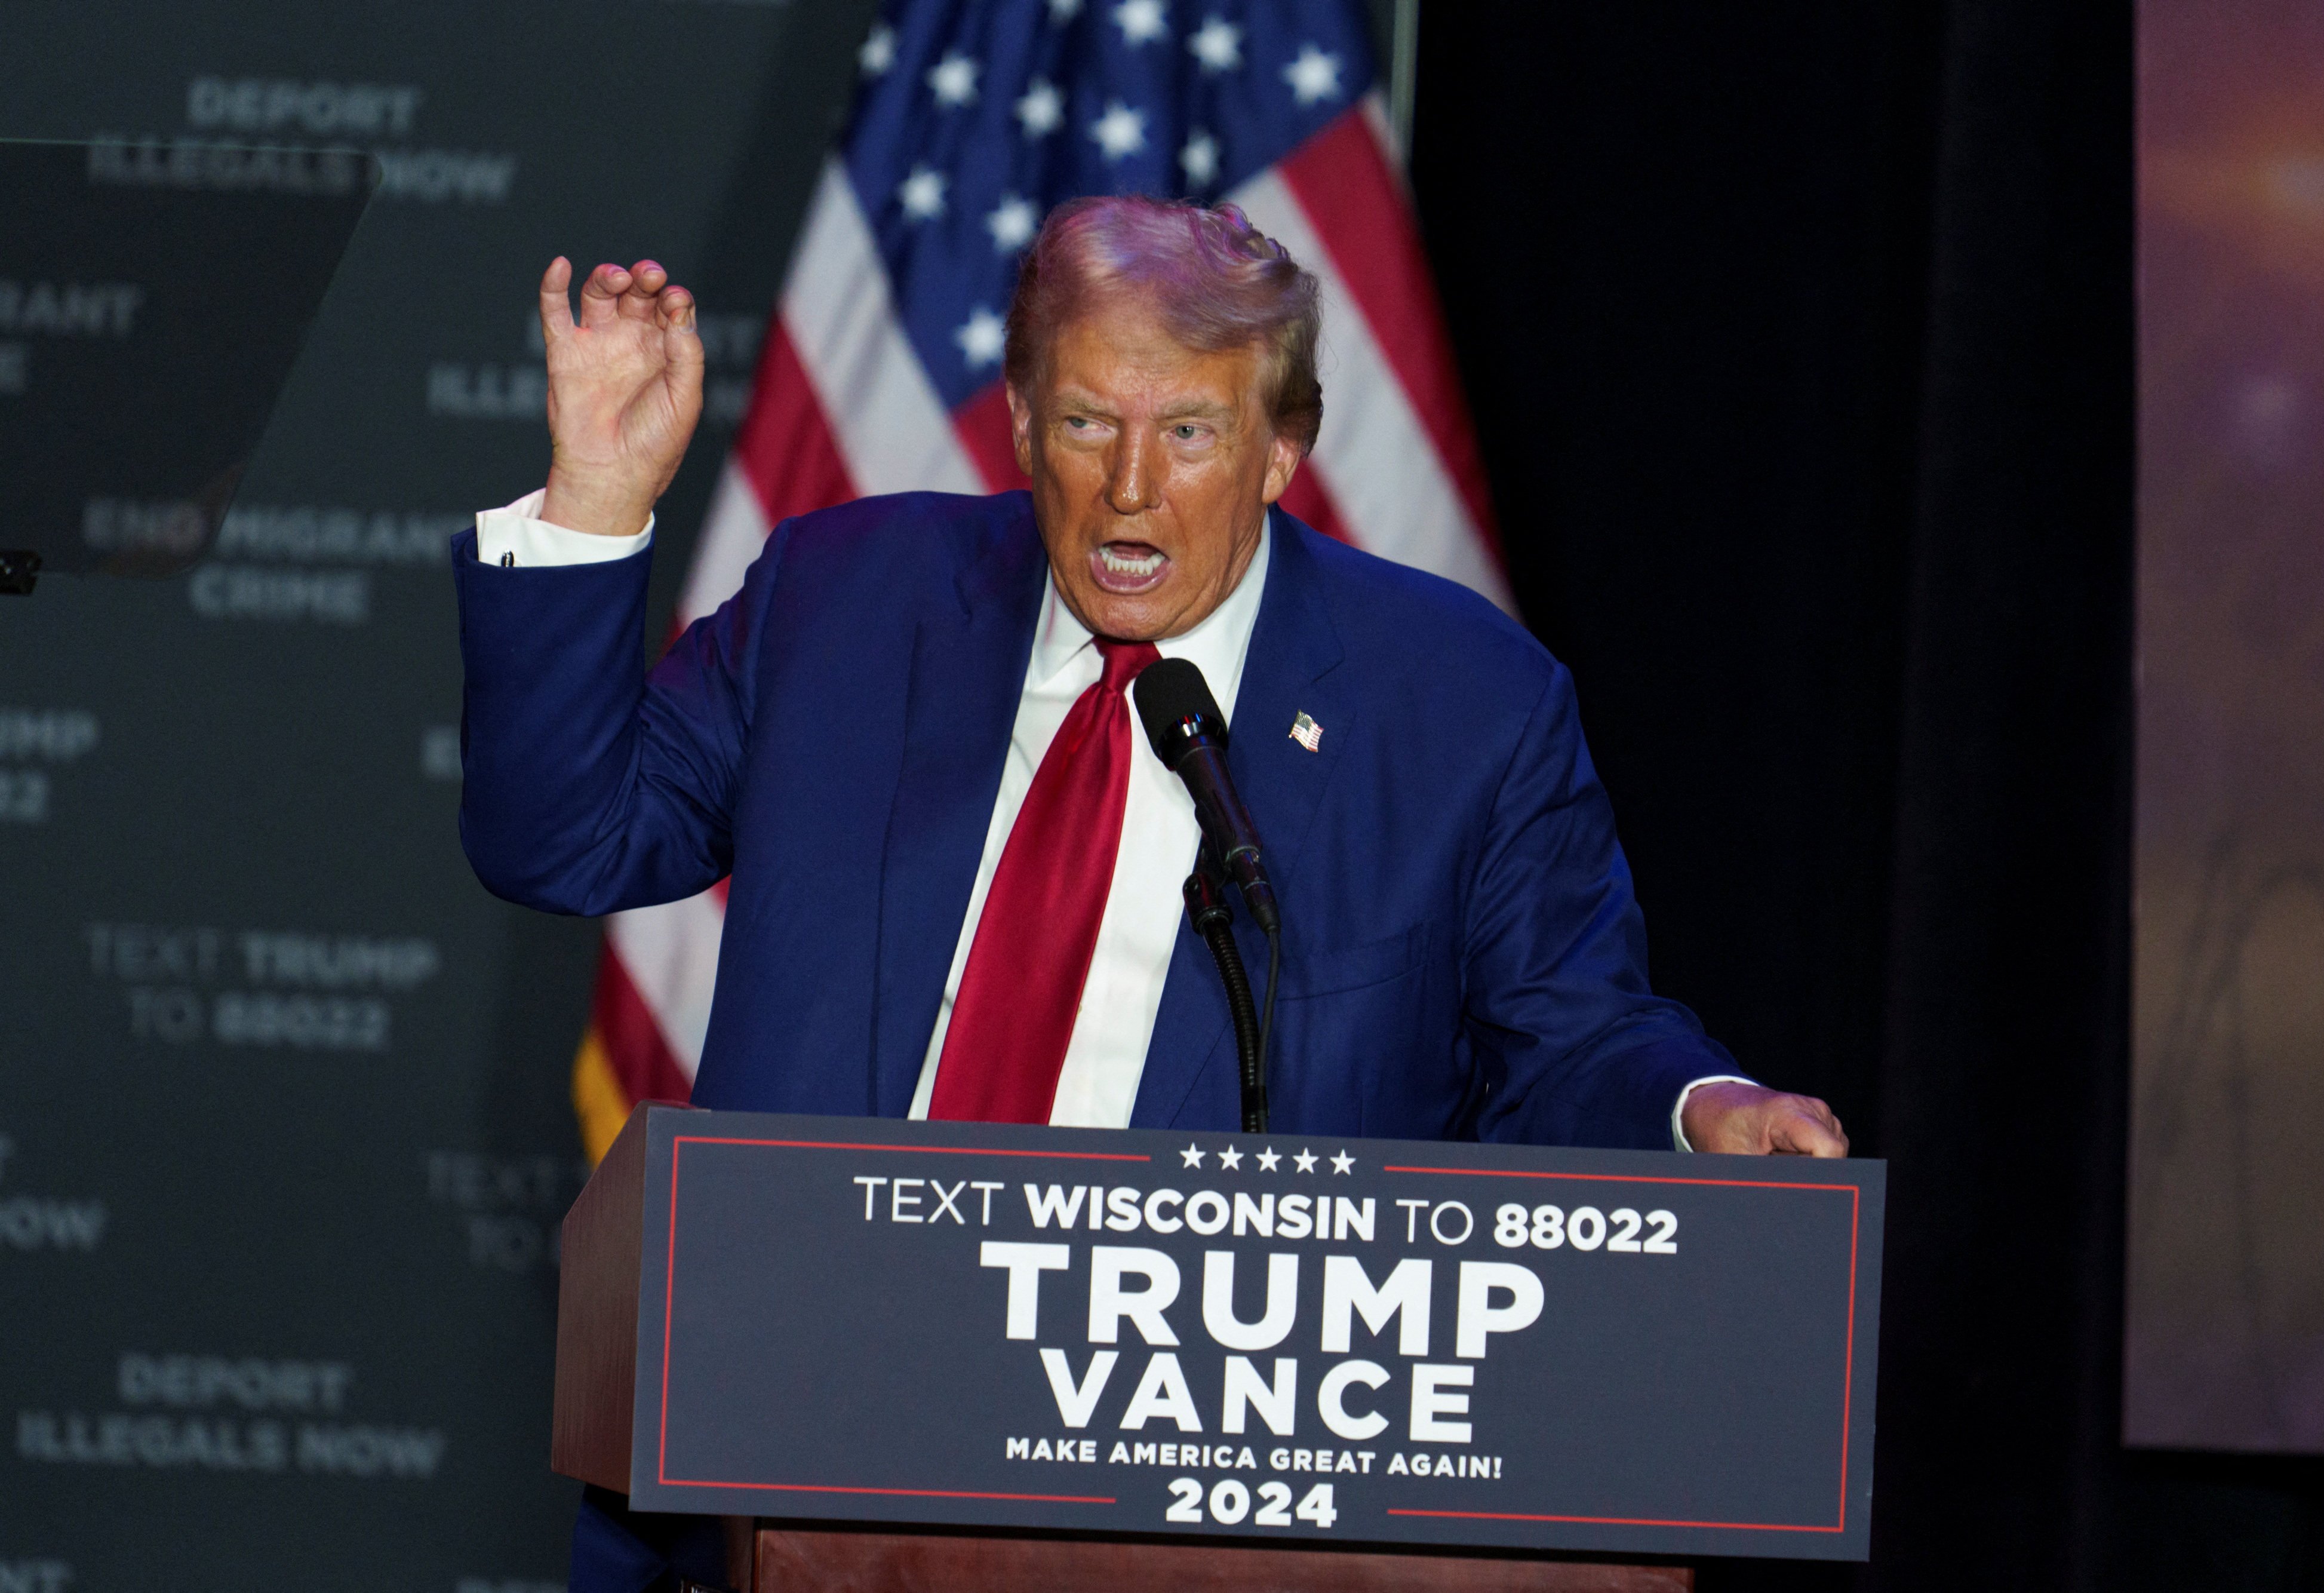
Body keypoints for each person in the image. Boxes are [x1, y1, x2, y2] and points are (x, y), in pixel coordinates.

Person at [453, 197, 1846, 1591]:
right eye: (1082, 423)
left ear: (1282, 447)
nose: (1129, 487)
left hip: (1182, 1527)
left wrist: (1695, 1109)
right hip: (781, 1478)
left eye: (1188, 431)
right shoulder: (847, 598)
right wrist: (595, 500)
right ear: (1015, 418)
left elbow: (1570, 1027)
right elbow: (565, 840)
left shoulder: (1461, 709)